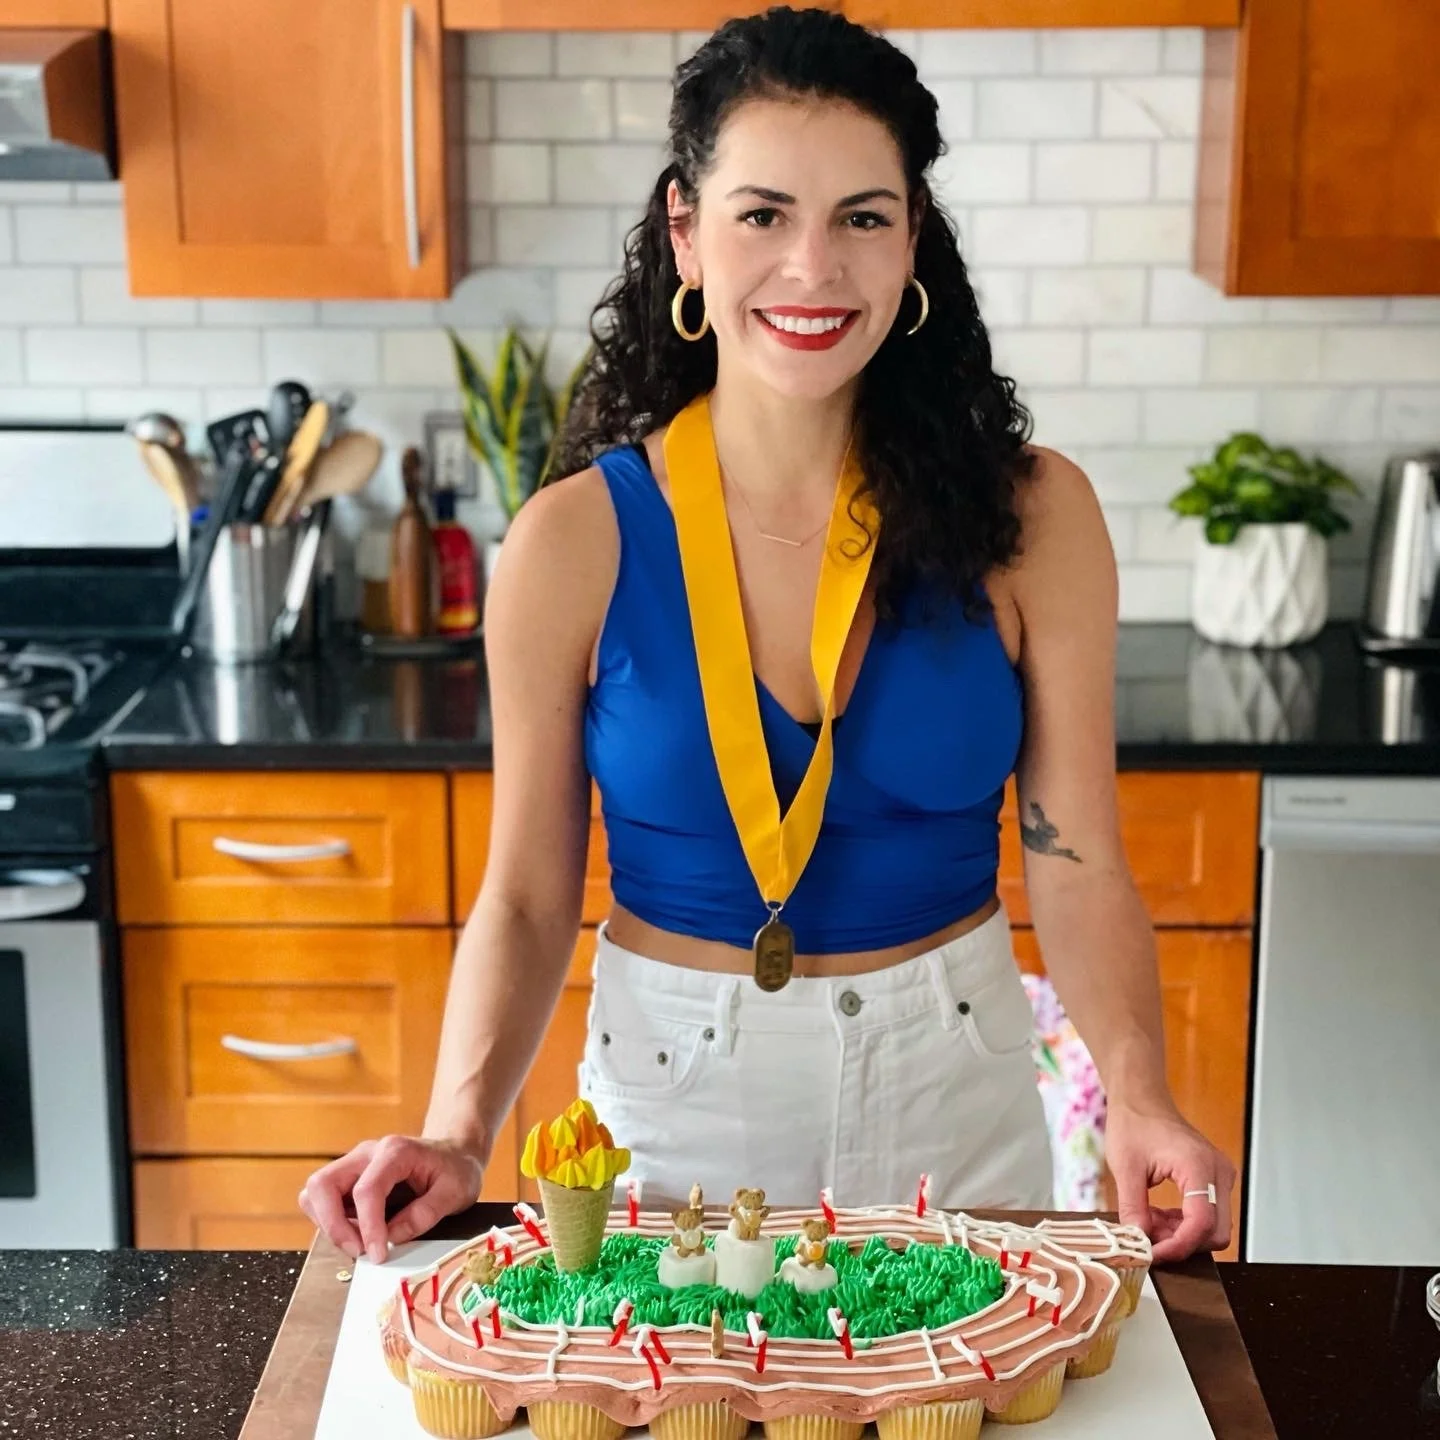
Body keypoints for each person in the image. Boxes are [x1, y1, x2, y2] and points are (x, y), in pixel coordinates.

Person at [299, 5, 1234, 1269]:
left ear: (913, 244)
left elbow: (1077, 862)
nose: (813, 268)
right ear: (685, 232)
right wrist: (458, 1131)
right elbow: (524, 894)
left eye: (862, 216)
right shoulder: (572, 543)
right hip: (675, 1115)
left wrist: (1142, 1094)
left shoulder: (1035, 517)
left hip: (954, 1095)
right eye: (762, 215)